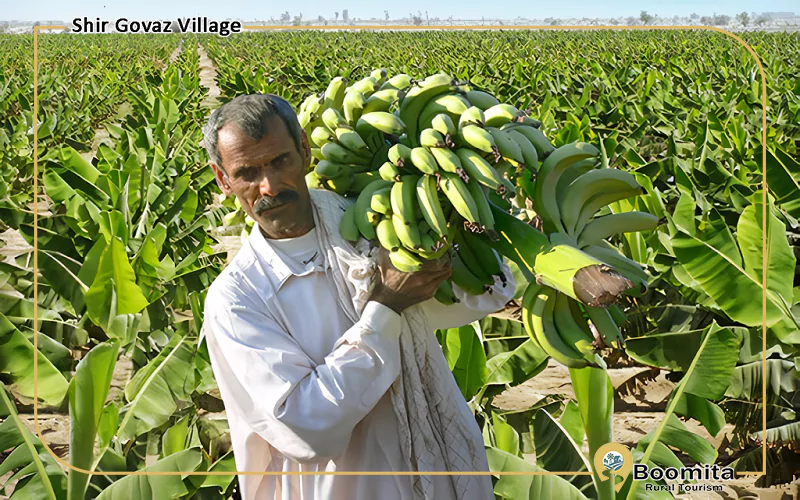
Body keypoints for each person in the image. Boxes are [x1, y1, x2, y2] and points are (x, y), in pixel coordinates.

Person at [200, 93, 515, 500]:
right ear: (223, 180)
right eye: (247, 172)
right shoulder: (237, 300)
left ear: (304, 151)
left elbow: (484, 296)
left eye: (280, 162)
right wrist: (383, 308)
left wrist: (459, 213)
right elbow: (305, 430)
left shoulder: (375, 228)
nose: (269, 186)